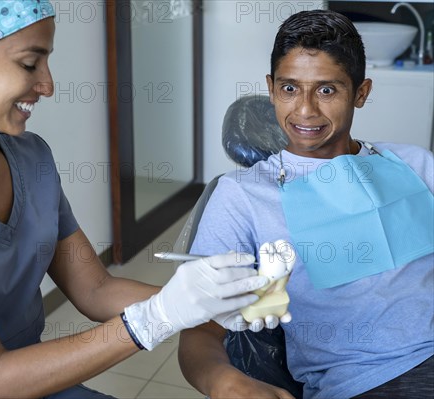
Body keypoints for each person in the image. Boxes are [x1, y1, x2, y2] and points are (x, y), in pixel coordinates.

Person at [0, 1, 273, 398]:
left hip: (29, 380)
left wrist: (209, 301)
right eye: (30, 63)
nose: (47, 85)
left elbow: (95, 288)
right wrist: (158, 316)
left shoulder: (30, 157)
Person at [178, 9, 434, 399]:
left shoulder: (416, 164)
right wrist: (224, 381)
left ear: (361, 93)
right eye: (290, 88)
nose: (305, 110)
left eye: (327, 90)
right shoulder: (242, 195)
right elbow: (200, 326)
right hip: (370, 379)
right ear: (271, 88)